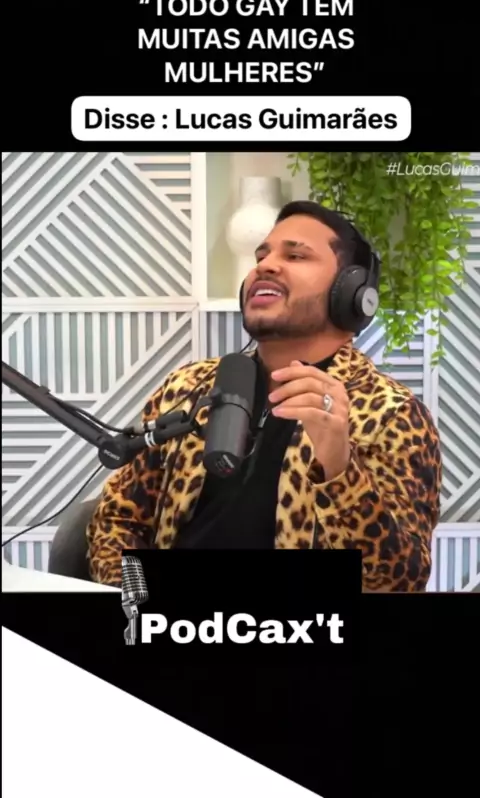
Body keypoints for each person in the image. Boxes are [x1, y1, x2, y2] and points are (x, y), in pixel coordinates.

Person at [86, 201, 442, 592]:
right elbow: (117, 521)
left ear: (351, 293)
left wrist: (340, 467)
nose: (266, 265)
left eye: (295, 255)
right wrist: (138, 601)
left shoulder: (393, 413)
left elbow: (399, 582)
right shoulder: (189, 387)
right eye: (262, 256)